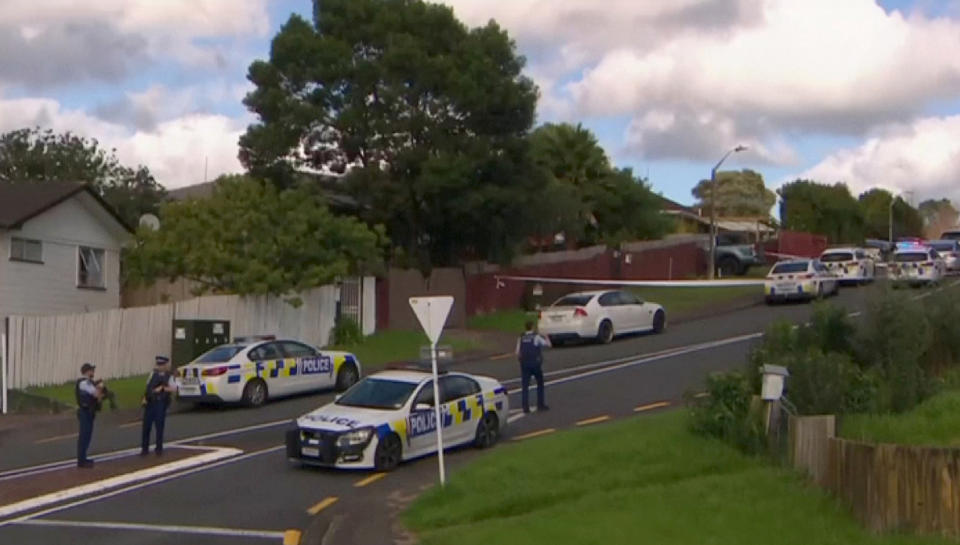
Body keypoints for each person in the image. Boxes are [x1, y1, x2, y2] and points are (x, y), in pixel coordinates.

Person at [141, 355, 177, 456]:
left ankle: (159, 449)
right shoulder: (153, 374)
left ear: (165, 365)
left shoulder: (169, 376)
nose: (159, 366)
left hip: (160, 402)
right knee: (146, 426)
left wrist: (163, 388)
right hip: (150, 402)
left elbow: (174, 389)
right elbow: (148, 387)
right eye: (158, 364)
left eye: (162, 365)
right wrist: (144, 397)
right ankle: (144, 449)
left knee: (159, 426)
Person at [516, 320, 551, 413]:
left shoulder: (521, 337)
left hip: (525, 364)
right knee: (540, 383)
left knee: (525, 385)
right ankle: (540, 404)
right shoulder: (536, 336)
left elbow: (517, 352)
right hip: (535, 363)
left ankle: (525, 407)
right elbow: (548, 345)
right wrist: (546, 337)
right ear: (532, 327)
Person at [75, 363, 104, 468]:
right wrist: (100, 387)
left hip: (89, 412)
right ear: (87, 371)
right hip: (85, 412)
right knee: (84, 436)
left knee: (87, 436)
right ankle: (81, 460)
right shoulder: (84, 383)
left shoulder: (88, 383)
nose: (93, 372)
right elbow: (96, 395)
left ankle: (83, 458)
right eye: (92, 370)